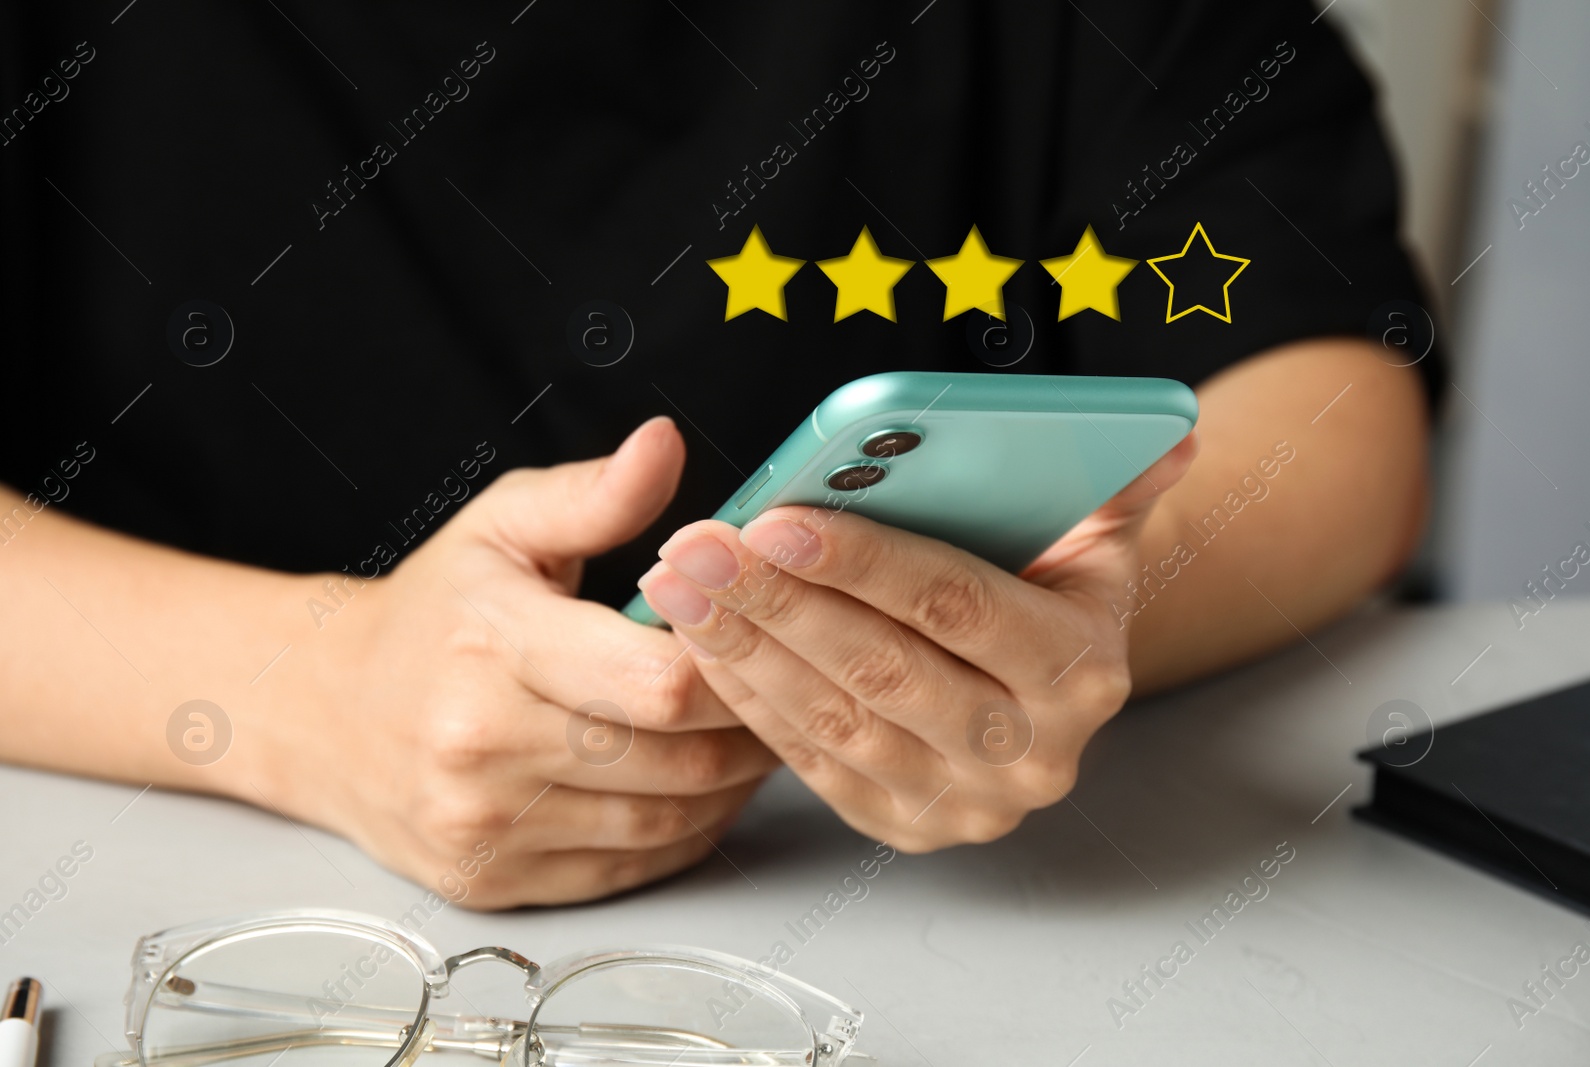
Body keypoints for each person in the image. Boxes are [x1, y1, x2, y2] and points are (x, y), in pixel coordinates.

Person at [0, 1, 1438, 906]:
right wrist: (308, 695)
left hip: (902, 913)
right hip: (171, 894)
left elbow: (1339, 408)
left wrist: (1061, 621)